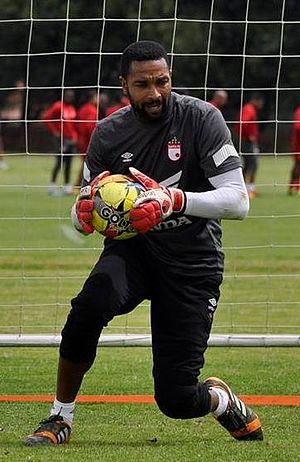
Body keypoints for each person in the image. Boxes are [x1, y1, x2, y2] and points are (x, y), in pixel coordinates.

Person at [25, 40, 263, 446]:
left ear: (170, 79)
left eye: (162, 81)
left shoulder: (202, 119)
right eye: (143, 85)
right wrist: (80, 215)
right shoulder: (108, 133)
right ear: (124, 86)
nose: (154, 93)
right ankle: (59, 417)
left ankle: (220, 400)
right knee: (89, 305)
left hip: (193, 260)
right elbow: (87, 203)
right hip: (134, 250)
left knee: (176, 398)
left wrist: (174, 199)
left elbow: (238, 201)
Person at [43, 89, 78, 196]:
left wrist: (74, 136)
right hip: (62, 139)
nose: (69, 98)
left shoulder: (71, 108)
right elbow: (46, 118)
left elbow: (72, 125)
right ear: (63, 96)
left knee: (69, 163)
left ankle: (67, 187)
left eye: (71, 96)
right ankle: (52, 185)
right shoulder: (58, 106)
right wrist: (54, 131)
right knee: (59, 162)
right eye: (67, 95)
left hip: (71, 140)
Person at [234, 93, 264, 199]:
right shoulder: (249, 109)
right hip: (246, 141)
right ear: (256, 100)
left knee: (248, 164)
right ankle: (248, 189)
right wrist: (249, 135)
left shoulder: (248, 108)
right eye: (260, 102)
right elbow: (243, 123)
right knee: (253, 164)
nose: (261, 105)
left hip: (245, 140)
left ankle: (245, 188)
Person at [75, 90, 101, 188]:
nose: (98, 99)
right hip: (87, 140)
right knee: (88, 163)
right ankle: (81, 185)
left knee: (85, 163)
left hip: (81, 139)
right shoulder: (91, 110)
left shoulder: (82, 108)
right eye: (96, 97)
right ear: (92, 98)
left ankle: (79, 185)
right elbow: (90, 126)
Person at [288, 105, 300, 195]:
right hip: (298, 143)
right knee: (298, 165)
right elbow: (297, 126)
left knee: (297, 165)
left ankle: (293, 186)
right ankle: (294, 186)